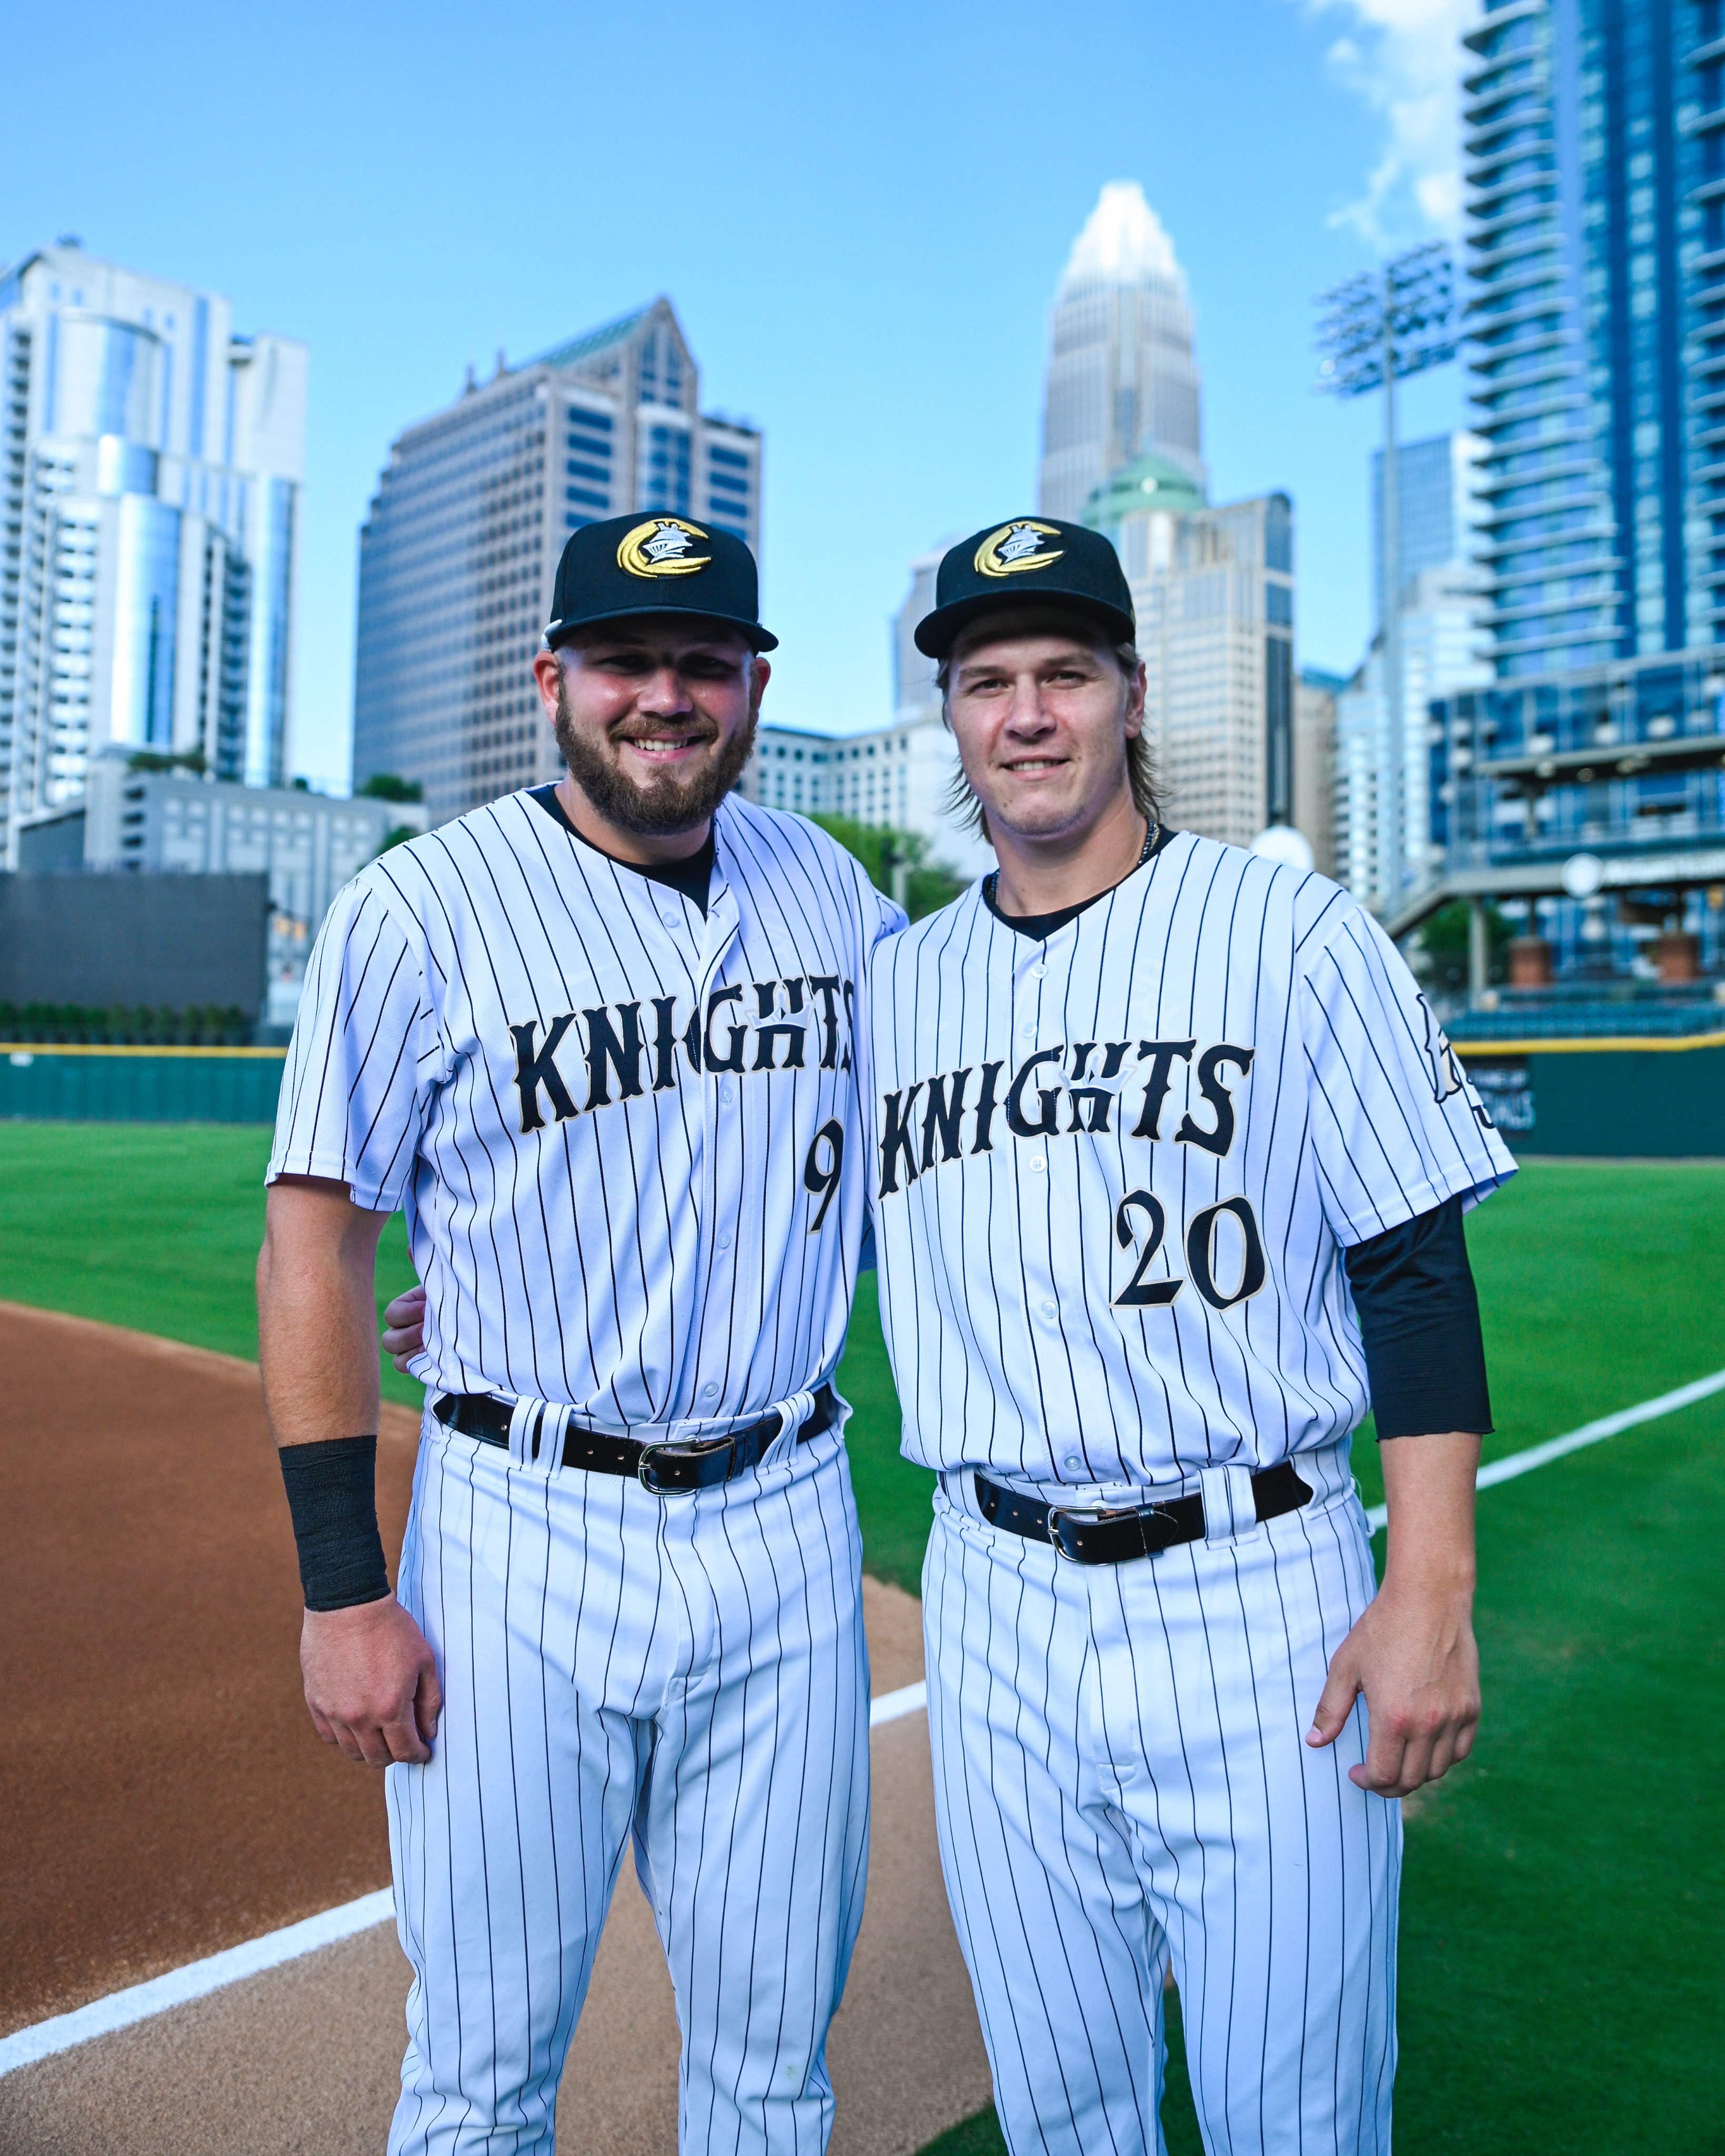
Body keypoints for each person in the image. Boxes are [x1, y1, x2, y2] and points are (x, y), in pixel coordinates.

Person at [863, 517, 1514, 2155]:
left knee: (1293, 2117)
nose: (1026, 714)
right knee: (1063, 2109)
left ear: (1132, 695)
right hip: (996, 1593)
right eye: (988, 680)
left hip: (1255, 1597)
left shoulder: (1296, 936)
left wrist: (1428, 1592)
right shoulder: (899, 987)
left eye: (1064, 675)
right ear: (950, 714)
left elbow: (1416, 1271)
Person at [257, 513, 901, 2156]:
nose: (664, 698)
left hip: (782, 1526)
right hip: (519, 1535)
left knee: (774, 2069)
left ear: (756, 687)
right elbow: (317, 1243)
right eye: (626, 661)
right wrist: (344, 1591)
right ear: (555, 678)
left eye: (704, 664)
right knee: (479, 2075)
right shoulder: (418, 910)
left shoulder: (836, 896)